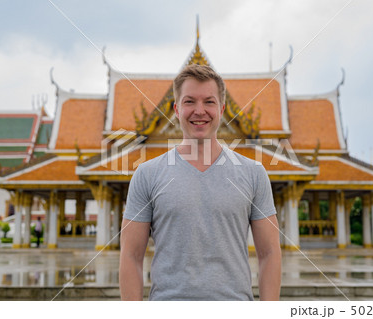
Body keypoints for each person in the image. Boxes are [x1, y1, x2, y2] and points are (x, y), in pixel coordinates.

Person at [119, 64, 281, 301]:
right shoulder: (147, 174)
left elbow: (269, 253)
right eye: (189, 101)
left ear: (222, 108)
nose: (199, 110)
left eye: (209, 101)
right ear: (176, 109)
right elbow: (131, 256)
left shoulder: (253, 174)